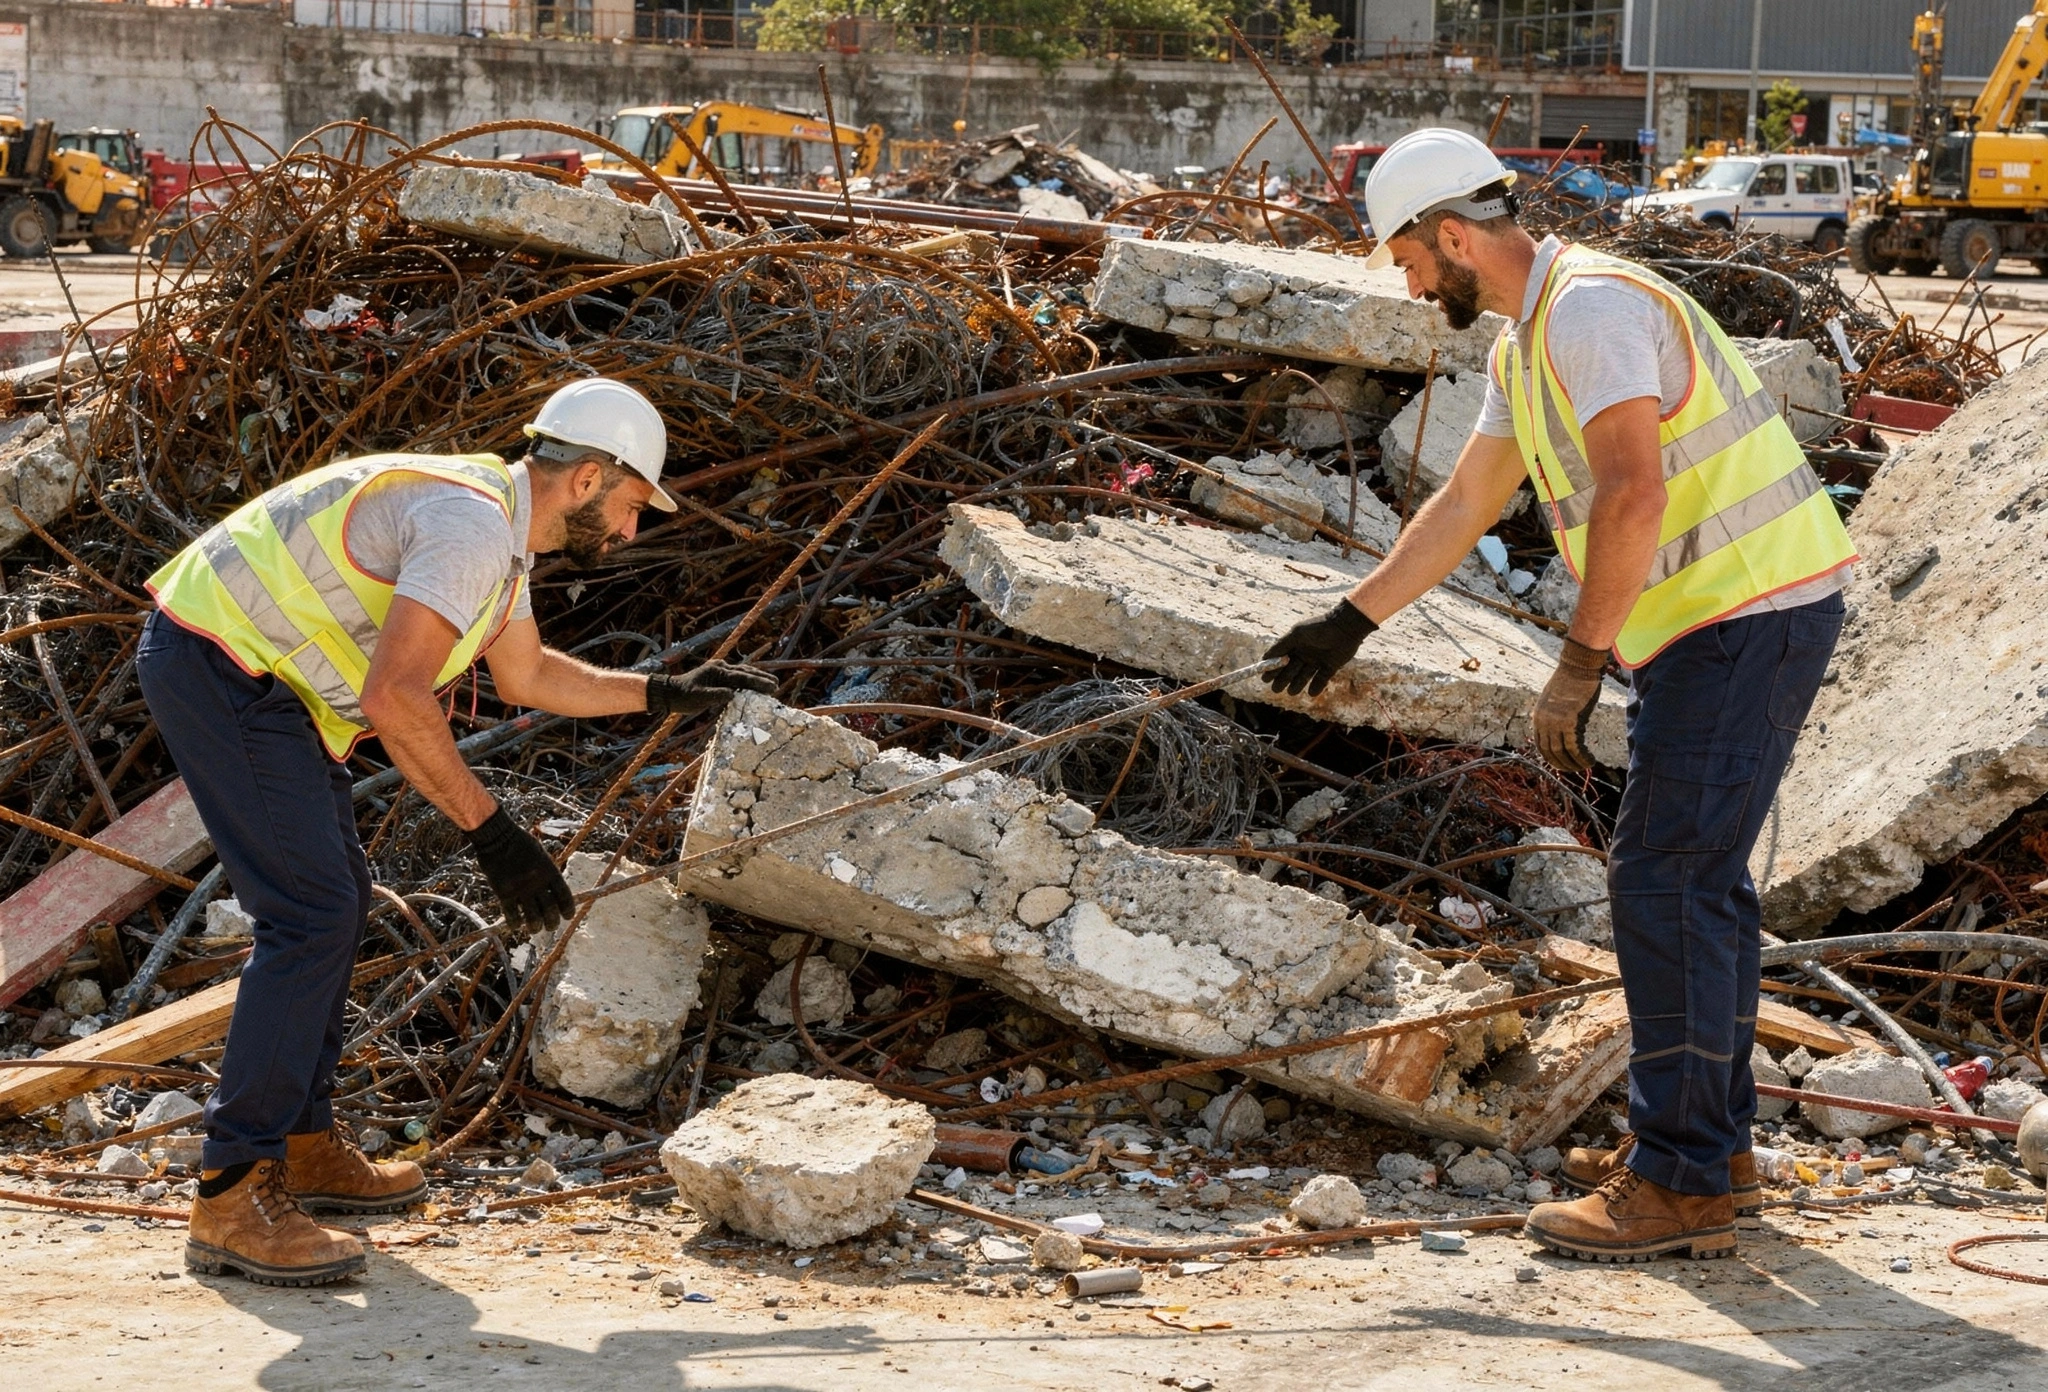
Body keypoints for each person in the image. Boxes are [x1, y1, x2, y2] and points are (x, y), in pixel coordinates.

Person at [1263, 128, 1855, 1263]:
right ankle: (1711, 1154)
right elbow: (1463, 503)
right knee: (1696, 885)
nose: (1408, 284)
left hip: (1746, 614)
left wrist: (1577, 666)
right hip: (1719, 622)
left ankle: (1678, 1181)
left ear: (1451, 235)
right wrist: (1350, 621)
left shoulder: (1586, 312)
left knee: (1663, 883)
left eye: (1407, 260)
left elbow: (1632, 494)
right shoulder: (1526, 345)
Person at [137, 378, 774, 1286]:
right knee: (309, 916)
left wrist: (663, 691)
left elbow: (528, 675)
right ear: (587, 480)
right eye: (633, 506)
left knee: (337, 904)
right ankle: (233, 1192)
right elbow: (395, 696)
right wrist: (491, 832)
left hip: (256, 678)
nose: (632, 531)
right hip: (219, 662)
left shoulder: (499, 540)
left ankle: (303, 1146)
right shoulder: (472, 527)